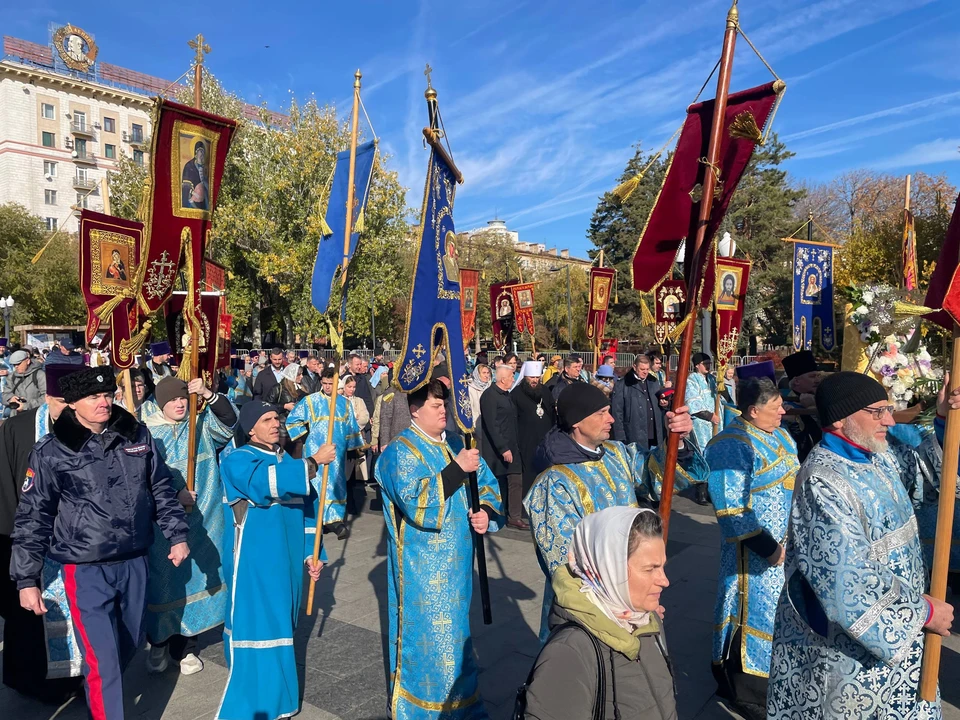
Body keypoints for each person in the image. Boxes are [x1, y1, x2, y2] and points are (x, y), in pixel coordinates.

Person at [766, 372, 957, 719]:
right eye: (878, 411)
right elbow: (845, 581)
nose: (889, 419)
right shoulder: (822, 482)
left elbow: (928, 479)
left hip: (903, 641)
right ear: (840, 417)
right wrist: (923, 612)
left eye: (889, 408)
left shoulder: (877, 455)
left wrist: (945, 420)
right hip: (852, 657)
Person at [11, 367, 189, 720]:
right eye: (93, 397)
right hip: (85, 568)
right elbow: (33, 516)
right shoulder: (52, 450)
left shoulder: (136, 435)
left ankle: (97, 688)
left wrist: (177, 534)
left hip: (134, 560)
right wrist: (26, 579)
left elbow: (160, 488)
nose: (103, 402)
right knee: (103, 659)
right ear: (73, 403)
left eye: (107, 394)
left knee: (130, 641)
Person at [374, 380, 504, 719]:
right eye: (435, 405)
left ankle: (464, 707)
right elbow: (415, 501)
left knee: (459, 635)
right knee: (429, 639)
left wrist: (485, 513)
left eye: (444, 404)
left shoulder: (456, 445)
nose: (443, 409)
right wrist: (457, 469)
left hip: (459, 565)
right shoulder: (399, 452)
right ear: (415, 410)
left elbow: (487, 484)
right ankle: (422, 710)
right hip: (421, 570)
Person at [525, 383, 694, 638]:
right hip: (592, 611)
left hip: (635, 595)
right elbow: (566, 562)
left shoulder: (616, 454)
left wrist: (676, 441)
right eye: (601, 413)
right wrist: (622, 606)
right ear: (577, 423)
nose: (611, 419)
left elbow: (655, 473)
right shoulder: (555, 482)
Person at [216, 401, 331, 720]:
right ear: (250, 428)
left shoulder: (285, 460)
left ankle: (280, 701)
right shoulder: (237, 459)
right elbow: (262, 485)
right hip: (254, 563)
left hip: (288, 563)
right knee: (258, 630)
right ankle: (252, 705)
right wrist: (312, 462)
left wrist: (313, 553)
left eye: (278, 418)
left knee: (282, 628)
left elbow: (310, 512)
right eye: (267, 419)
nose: (276, 424)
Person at [520, 507, 676, 720]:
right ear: (610, 569)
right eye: (650, 569)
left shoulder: (647, 620)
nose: (665, 581)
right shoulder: (570, 652)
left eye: (662, 567)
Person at [705, 376, 798, 720]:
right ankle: (745, 690)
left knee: (777, 614)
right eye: (776, 408)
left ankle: (773, 678)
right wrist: (769, 548)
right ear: (753, 411)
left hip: (785, 549)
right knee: (749, 612)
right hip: (754, 553)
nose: (783, 412)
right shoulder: (731, 443)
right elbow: (731, 507)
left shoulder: (781, 435)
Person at [0, 364, 86, 701]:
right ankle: (34, 681)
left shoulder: (92, 425)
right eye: (63, 401)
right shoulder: (20, 429)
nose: (70, 408)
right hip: (30, 539)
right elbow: (6, 485)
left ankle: (79, 677)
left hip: (77, 538)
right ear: (48, 397)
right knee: (30, 617)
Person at [142, 377, 237, 676]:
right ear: (161, 403)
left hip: (202, 520)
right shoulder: (145, 431)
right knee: (164, 584)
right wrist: (173, 494)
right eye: (172, 400)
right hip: (162, 527)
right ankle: (158, 643)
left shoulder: (201, 425)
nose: (180, 404)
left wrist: (208, 394)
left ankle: (187, 648)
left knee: (196, 580)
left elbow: (230, 421)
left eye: (183, 398)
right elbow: (139, 477)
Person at [286, 367, 363, 538]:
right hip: (316, 451)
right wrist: (306, 437)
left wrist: (354, 448)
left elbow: (351, 426)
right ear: (321, 382)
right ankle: (317, 518)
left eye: (331, 384)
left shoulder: (345, 403)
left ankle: (335, 520)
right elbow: (293, 420)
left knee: (336, 483)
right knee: (317, 483)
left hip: (338, 451)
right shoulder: (311, 401)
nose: (328, 387)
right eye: (325, 383)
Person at [480, 365, 524, 529]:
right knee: (498, 483)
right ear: (503, 379)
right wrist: (503, 448)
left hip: (513, 445)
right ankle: (494, 515)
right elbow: (492, 425)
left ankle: (514, 516)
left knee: (515, 480)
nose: (514, 379)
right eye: (512, 376)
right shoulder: (490, 396)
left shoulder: (507, 395)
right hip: (497, 449)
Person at [512, 360, 556, 509]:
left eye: (537, 378)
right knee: (529, 474)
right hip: (525, 441)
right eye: (532, 377)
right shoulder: (516, 394)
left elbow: (551, 412)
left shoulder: (544, 391)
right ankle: (527, 506)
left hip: (544, 441)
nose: (535, 381)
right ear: (525, 377)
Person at [779, 350, 825, 463]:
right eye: (812, 376)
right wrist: (810, 409)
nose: (818, 380)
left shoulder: (822, 397)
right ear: (797, 381)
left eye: (818, 376)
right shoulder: (785, 405)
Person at [612, 354, 663, 451]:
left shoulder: (654, 382)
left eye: (647, 369)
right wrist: (620, 435)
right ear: (634, 367)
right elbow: (617, 411)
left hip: (655, 431)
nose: (645, 372)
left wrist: (664, 404)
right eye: (642, 369)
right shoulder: (623, 384)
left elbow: (659, 404)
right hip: (634, 432)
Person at [3, 349, 47, 415]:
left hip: (34, 414)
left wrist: (26, 405)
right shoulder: (12, 376)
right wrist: (10, 398)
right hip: (16, 415)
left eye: (18, 363)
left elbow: (47, 397)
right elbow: (5, 394)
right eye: (14, 365)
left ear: (27, 361)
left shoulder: (40, 375)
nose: (16, 367)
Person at [374, 387, 412, 452]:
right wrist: (384, 442)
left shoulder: (422, 389)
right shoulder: (391, 392)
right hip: (397, 440)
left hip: (417, 440)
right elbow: (385, 418)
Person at [181, 140, 208, 210]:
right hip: (192, 196)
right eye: (200, 152)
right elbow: (186, 185)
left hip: (203, 198)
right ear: (196, 153)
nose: (201, 154)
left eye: (203, 152)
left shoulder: (204, 167)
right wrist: (195, 194)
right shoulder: (189, 166)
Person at [467, 363, 493, 433]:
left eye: (488, 373)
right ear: (477, 374)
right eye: (484, 373)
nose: (486, 375)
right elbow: (471, 409)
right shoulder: (471, 389)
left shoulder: (491, 387)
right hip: (477, 425)